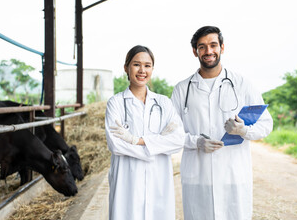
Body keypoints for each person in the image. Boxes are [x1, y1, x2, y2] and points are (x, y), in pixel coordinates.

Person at [171, 26, 273, 220]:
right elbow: (172, 134)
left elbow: (266, 124)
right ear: (195, 52)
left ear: (222, 48)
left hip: (233, 175)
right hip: (197, 177)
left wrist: (243, 130)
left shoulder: (243, 84)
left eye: (213, 45)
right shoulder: (181, 90)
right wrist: (196, 142)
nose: (208, 51)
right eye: (202, 47)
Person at [105, 45, 185, 220]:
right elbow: (116, 145)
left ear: (152, 69)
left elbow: (179, 140)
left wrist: (137, 140)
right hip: (127, 180)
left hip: (159, 180)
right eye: (136, 64)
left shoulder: (164, 103)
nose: (142, 70)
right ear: (126, 68)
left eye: (147, 65)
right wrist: (158, 143)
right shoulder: (116, 103)